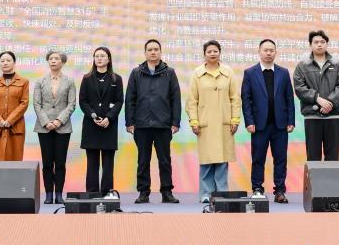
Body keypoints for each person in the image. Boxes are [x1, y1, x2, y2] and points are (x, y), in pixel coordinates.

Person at [125, 39, 182, 204]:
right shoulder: (136, 73)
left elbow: (175, 99)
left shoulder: (169, 73)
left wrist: (175, 122)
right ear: (145, 53)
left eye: (156, 49)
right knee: (143, 161)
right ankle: (143, 192)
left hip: (163, 124)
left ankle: (167, 192)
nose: (153, 52)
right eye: (149, 49)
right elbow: (130, 99)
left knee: (165, 161)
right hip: (141, 125)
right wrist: (130, 122)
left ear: (160, 52)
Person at [186, 40, 241, 203]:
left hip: (225, 123)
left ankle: (222, 194)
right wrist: (194, 121)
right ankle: (206, 194)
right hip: (205, 124)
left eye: (215, 51)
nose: (212, 54)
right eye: (209, 51)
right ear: (204, 54)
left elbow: (235, 98)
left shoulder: (228, 72)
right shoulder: (197, 74)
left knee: (222, 161)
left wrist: (235, 119)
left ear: (220, 53)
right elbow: (192, 100)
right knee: (206, 161)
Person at [241, 39, 295, 203]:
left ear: (276, 52)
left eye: (272, 50)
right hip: (259, 125)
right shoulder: (250, 73)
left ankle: (280, 191)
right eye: (265, 50)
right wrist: (249, 121)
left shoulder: (283, 73)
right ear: (259, 52)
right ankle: (257, 188)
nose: (269, 53)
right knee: (258, 158)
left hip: (280, 124)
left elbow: (289, 98)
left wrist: (291, 120)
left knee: (280, 159)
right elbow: (246, 99)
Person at [293, 30, 339, 161]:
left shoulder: (337, 64)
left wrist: (330, 103)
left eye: (322, 42)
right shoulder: (302, 66)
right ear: (310, 45)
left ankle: (332, 177)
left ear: (327, 44)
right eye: (316, 42)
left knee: (333, 157)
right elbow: (299, 88)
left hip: (333, 117)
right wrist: (317, 98)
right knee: (313, 157)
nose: (319, 44)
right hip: (312, 117)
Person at [79, 47, 124, 195]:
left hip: (108, 125)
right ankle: (92, 192)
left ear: (108, 59)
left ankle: (106, 192)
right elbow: (83, 101)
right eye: (96, 56)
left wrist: (109, 117)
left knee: (108, 162)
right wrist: (92, 115)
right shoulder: (87, 78)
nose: (99, 58)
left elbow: (119, 101)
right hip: (91, 124)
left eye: (102, 56)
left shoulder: (116, 79)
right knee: (92, 162)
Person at [34, 50, 76, 205]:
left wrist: (59, 121)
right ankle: (48, 194)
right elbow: (36, 104)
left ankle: (58, 194)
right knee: (47, 163)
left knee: (60, 162)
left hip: (63, 127)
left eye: (56, 58)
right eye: (50, 58)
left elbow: (71, 104)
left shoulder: (69, 81)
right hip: (44, 127)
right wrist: (46, 122)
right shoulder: (40, 81)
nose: (53, 61)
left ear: (62, 62)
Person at [0, 51, 29, 161]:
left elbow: (24, 103)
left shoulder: (24, 82)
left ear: (14, 62)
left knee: (15, 160)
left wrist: (10, 120)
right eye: (2, 61)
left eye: (8, 60)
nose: (5, 63)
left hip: (16, 127)